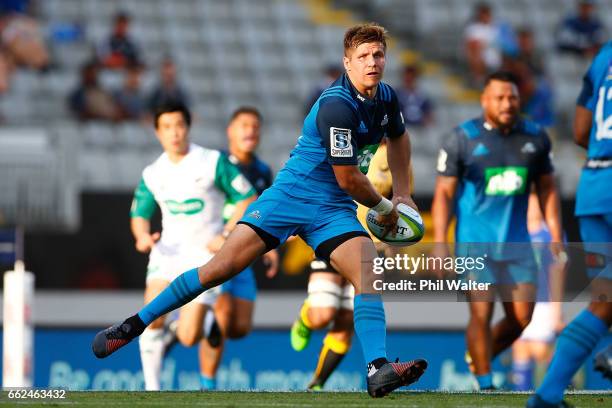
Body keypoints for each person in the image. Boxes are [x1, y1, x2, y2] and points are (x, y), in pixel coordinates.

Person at [92, 23, 427, 398]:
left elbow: (399, 138)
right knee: (218, 269)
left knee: (368, 275)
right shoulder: (337, 104)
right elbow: (348, 178)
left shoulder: (387, 98)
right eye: (362, 56)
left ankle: (377, 368)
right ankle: (134, 325)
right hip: (291, 197)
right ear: (346, 63)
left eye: (378, 55)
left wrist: (403, 194)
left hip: (332, 209)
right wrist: (385, 208)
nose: (372, 62)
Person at [432, 71, 563, 390]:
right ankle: (485, 383)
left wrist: (555, 232)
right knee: (480, 313)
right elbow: (444, 194)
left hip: (519, 244)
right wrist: (439, 243)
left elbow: (547, 188)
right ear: (485, 101)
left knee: (522, 319)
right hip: (475, 243)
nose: (507, 103)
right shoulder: (462, 138)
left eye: (513, 97)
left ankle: (479, 356)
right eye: (500, 97)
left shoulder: (536, 137)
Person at [129, 102, 257, 390]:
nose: (174, 133)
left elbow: (247, 197)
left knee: (188, 337)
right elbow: (139, 213)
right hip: (167, 254)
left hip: (205, 256)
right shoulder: (153, 172)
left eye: (179, 125)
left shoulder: (211, 161)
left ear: (187, 127)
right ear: (157, 132)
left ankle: (207, 321)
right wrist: (142, 237)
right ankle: (152, 390)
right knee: (150, 313)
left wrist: (226, 233)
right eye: (167, 127)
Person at [527, 41, 612, 408]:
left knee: (605, 301)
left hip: (593, 188)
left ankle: (547, 394)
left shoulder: (604, 56)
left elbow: (581, 130)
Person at [290, 142, 395, 391]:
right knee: (322, 315)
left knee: (347, 320)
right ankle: (306, 317)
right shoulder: (342, 140)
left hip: (372, 247)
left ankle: (317, 383)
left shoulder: (397, 156)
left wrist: (392, 243)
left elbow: (397, 201)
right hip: (334, 235)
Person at [198, 106, 277, 390]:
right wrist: (216, 234)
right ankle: (207, 387)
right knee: (222, 314)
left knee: (240, 328)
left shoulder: (262, 171)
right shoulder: (215, 164)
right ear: (230, 130)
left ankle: (190, 324)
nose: (250, 130)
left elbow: (266, 214)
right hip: (214, 251)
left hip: (242, 256)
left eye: (255, 125)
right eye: (244, 124)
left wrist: (271, 250)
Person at [511, 191, 564, 391]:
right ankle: (521, 398)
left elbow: (557, 274)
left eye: (534, 202)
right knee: (520, 349)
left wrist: (556, 310)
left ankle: (557, 389)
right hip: (518, 302)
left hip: (543, 304)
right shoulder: (516, 233)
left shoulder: (551, 235)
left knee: (540, 350)